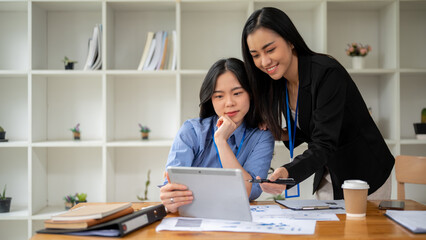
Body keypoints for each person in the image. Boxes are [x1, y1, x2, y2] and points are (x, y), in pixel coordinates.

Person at [241, 7, 394, 200]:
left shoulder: (327, 73)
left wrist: (288, 172)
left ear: (290, 41)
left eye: (270, 49)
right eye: (255, 55)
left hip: (364, 175)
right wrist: (280, 133)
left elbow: (324, 141)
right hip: (329, 174)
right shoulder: (279, 82)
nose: (264, 61)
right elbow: (310, 127)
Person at [160, 58, 274, 213]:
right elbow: (173, 187)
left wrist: (221, 141)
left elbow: (248, 191)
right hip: (194, 219)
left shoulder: (261, 136)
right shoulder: (192, 131)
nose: (229, 103)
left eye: (237, 93)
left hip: (239, 220)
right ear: (210, 99)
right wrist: (170, 199)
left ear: (251, 94)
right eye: (219, 96)